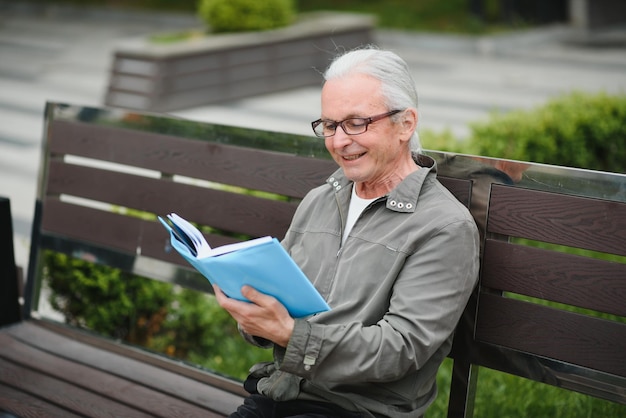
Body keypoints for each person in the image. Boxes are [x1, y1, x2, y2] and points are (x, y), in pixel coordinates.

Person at [214, 46, 480, 418]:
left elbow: (401, 348)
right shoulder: (320, 200)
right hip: (280, 393)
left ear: (406, 123)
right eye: (329, 125)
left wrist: (290, 335)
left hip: (359, 411)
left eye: (357, 123)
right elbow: (285, 303)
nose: (339, 141)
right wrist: (254, 315)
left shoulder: (444, 227)